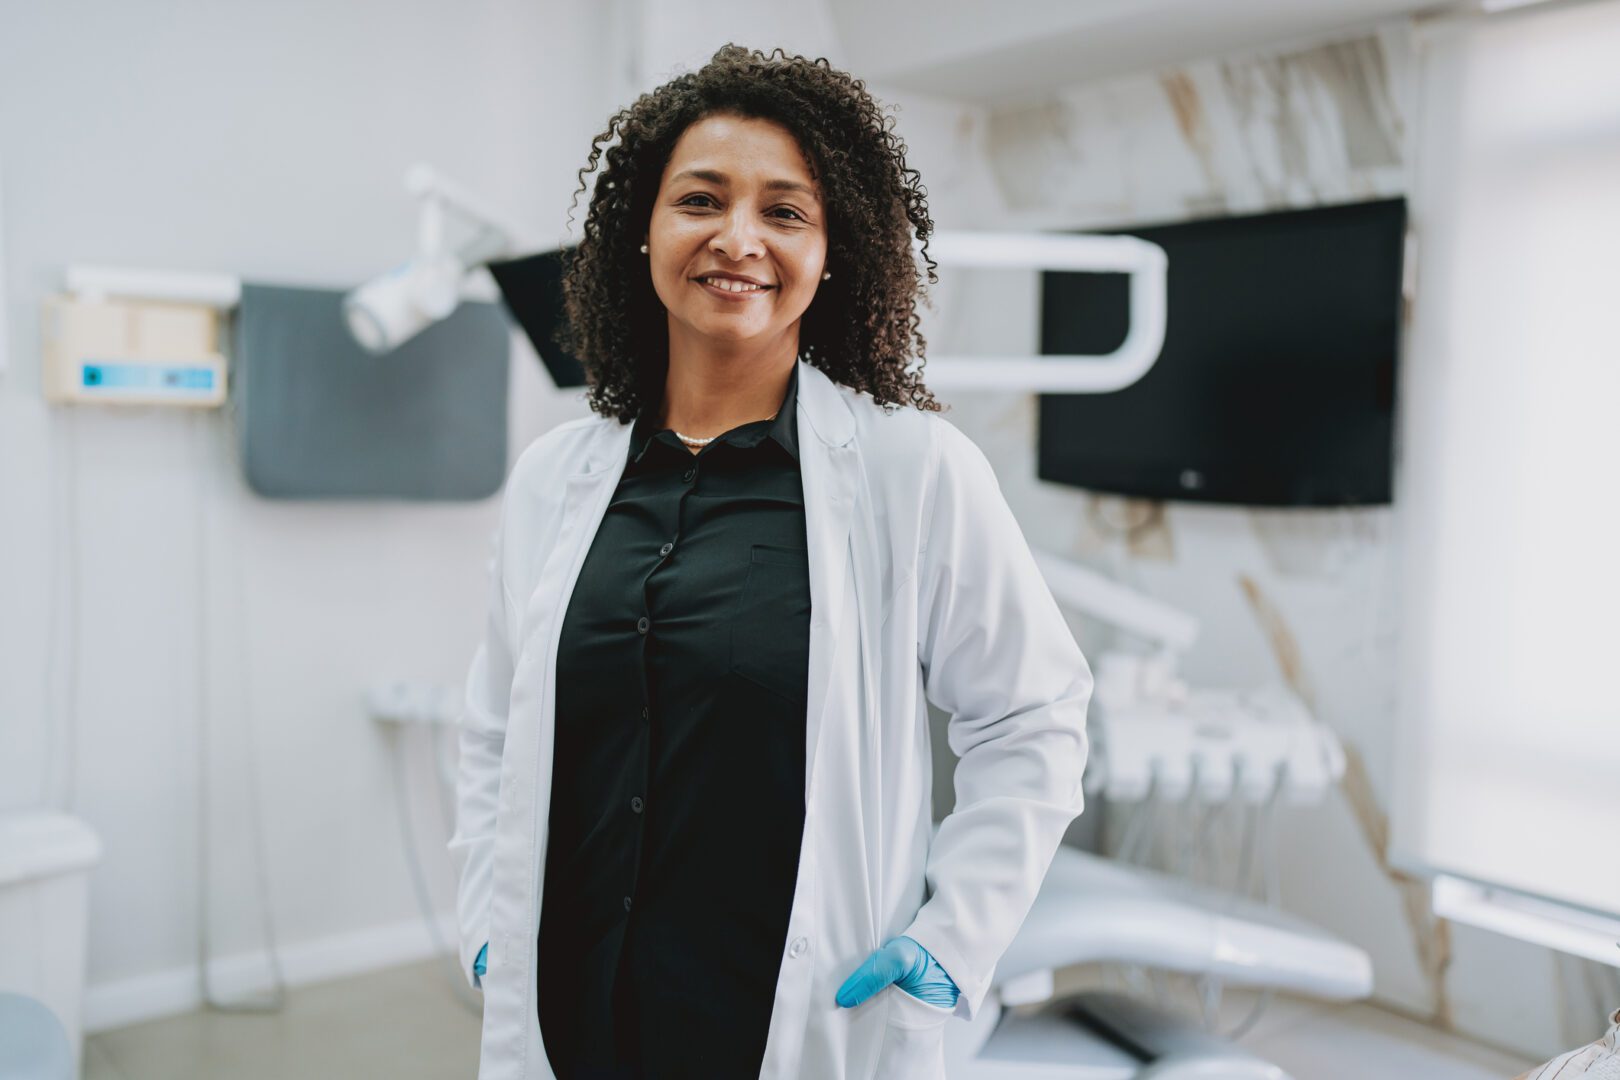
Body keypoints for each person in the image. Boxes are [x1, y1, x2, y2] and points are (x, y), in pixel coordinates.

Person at [449, 43, 1092, 1080]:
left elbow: (1033, 715)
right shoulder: (552, 480)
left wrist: (953, 935)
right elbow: (492, 727)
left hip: (782, 1021)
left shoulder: (910, 470)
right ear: (644, 232)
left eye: (784, 211)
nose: (737, 238)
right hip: (571, 1012)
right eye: (700, 199)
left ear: (833, 248)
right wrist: (487, 906)